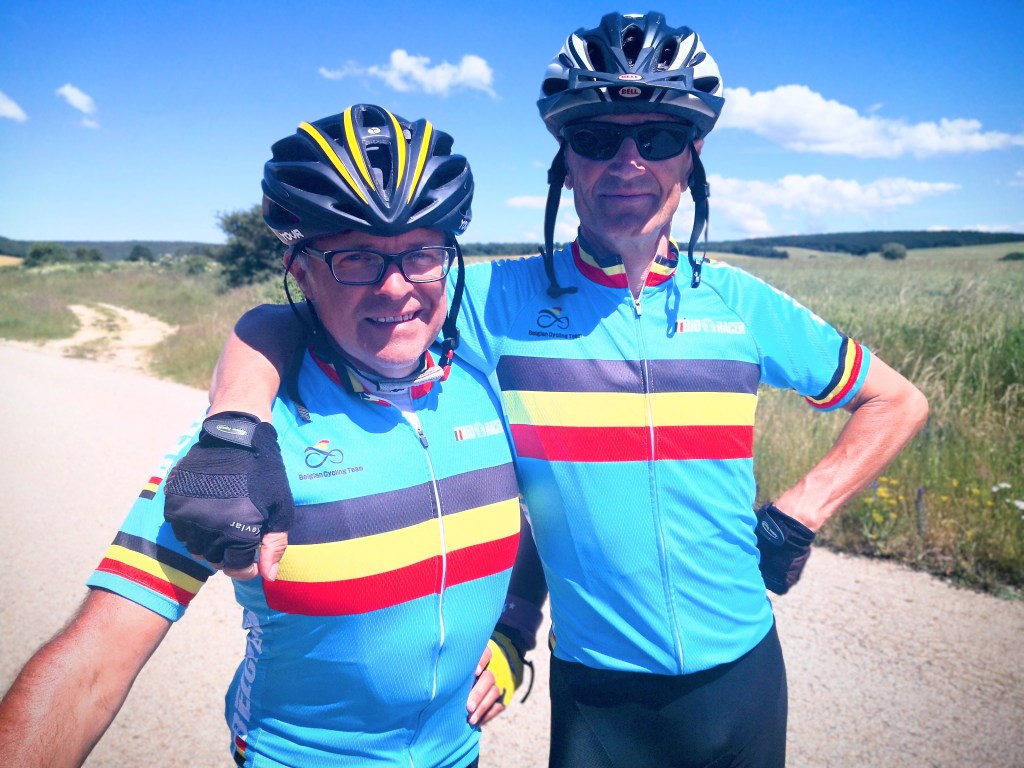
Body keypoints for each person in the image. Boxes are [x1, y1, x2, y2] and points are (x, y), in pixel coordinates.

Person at [197, 12, 930, 768]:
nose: (628, 163)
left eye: (658, 138)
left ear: (693, 155)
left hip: (744, 674)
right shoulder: (492, 301)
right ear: (566, 160)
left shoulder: (741, 304)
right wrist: (233, 431)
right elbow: (297, 315)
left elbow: (897, 400)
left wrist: (800, 513)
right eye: (596, 138)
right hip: (600, 693)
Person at [0, 103, 546, 768]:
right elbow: (94, 660)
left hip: (456, 755)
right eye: (355, 257)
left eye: (420, 254)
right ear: (301, 269)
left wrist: (514, 630)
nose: (395, 286)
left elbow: (544, 511)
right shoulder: (245, 444)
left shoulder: (491, 382)